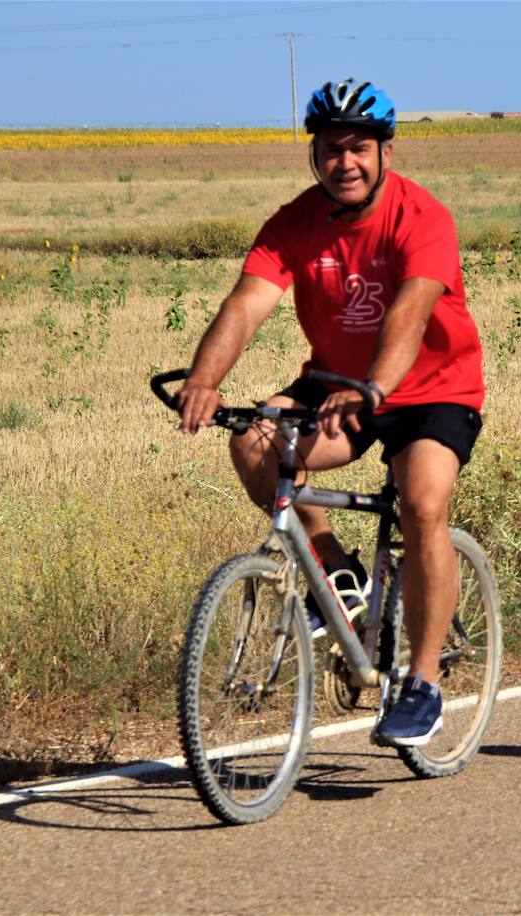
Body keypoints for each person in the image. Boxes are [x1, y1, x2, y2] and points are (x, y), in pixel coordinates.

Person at [176, 77, 485, 744]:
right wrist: (205, 378)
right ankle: (337, 574)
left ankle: (423, 683)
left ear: (386, 153)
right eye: (330, 150)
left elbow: (408, 313)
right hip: (338, 382)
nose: (344, 162)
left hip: (431, 388)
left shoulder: (423, 218)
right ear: (314, 156)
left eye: (359, 149)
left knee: (423, 503)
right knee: (257, 444)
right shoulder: (295, 222)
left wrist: (374, 389)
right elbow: (247, 303)